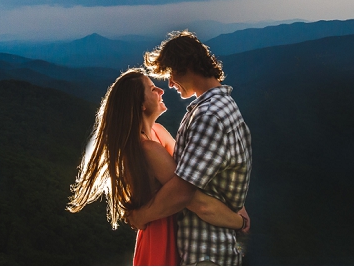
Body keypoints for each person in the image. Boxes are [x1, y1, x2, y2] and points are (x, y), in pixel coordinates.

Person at [68, 68, 247, 266]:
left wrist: (238, 206)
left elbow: (197, 170)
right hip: (162, 239)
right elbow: (194, 199)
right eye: (153, 89)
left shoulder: (157, 131)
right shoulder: (148, 148)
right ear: (142, 105)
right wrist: (240, 222)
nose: (161, 91)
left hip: (170, 232)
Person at [127, 31, 252, 266]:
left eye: (171, 74)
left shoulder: (208, 115)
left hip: (206, 250)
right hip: (211, 247)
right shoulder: (220, 106)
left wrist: (141, 216)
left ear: (189, 66)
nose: (170, 83)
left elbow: (184, 193)